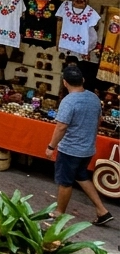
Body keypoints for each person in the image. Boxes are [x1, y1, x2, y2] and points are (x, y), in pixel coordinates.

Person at [46, 65, 113, 224]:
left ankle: (59, 212)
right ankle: (102, 211)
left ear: (64, 82)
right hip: (87, 149)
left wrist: (51, 147)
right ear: (82, 80)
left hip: (71, 149)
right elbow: (98, 121)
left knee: (65, 181)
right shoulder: (94, 98)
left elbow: (61, 127)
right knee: (81, 176)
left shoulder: (68, 101)